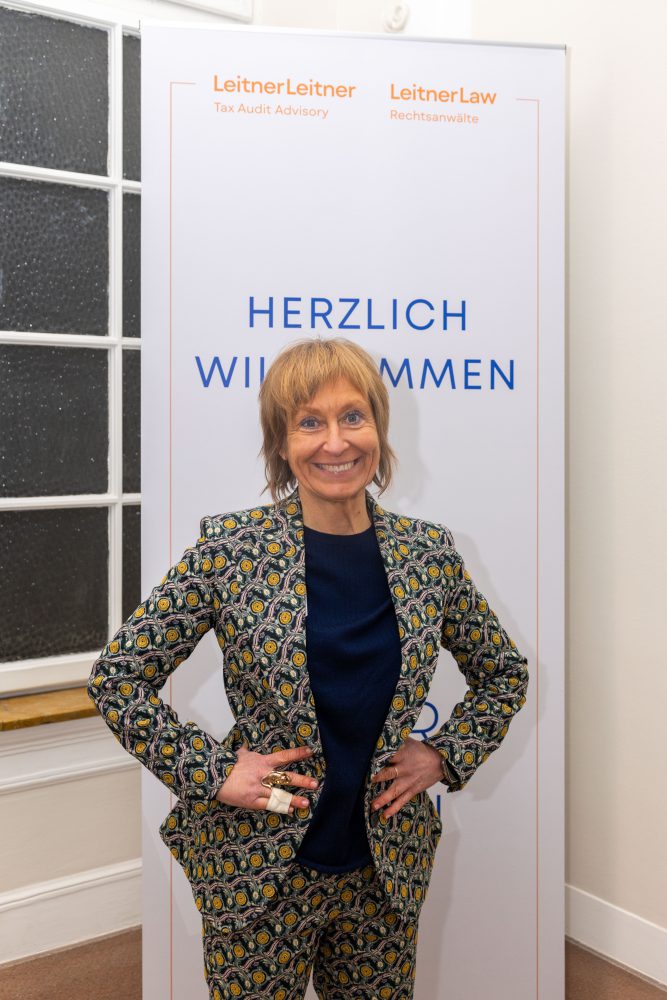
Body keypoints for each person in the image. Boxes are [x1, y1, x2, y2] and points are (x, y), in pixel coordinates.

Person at [88, 336, 528, 1000]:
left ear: (378, 428)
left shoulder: (428, 554)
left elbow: (503, 673)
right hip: (257, 869)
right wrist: (214, 771)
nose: (335, 442)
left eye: (353, 416)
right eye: (309, 422)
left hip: (384, 869)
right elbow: (117, 678)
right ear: (281, 443)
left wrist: (444, 754)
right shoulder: (230, 550)